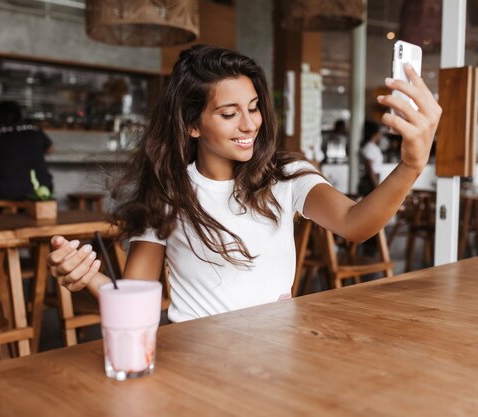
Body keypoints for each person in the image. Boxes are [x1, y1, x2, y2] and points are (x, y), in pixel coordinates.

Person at [46, 45, 441, 323]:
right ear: (192, 125)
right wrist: (87, 279)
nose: (250, 124)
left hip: (275, 356)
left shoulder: (288, 177)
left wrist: (410, 165)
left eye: (253, 108)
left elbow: (357, 224)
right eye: (229, 113)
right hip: (197, 363)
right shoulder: (169, 193)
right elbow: (137, 306)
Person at [0, 100, 54, 201]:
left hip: (9, 192)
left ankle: (2, 216)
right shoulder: (34, 129)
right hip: (42, 189)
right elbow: (50, 149)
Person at [358, 120, 385, 197]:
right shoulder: (369, 147)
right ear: (375, 134)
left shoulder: (372, 146)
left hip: (373, 178)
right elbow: (369, 167)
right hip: (370, 180)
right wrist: (375, 184)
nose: (380, 136)